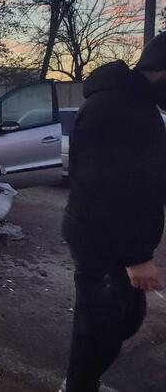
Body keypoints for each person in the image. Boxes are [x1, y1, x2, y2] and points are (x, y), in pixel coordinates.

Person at [61, 33, 166, 392]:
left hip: (118, 237)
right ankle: (78, 386)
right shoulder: (111, 108)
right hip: (100, 236)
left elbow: (142, 172)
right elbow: (100, 187)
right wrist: (137, 258)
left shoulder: (138, 104)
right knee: (100, 321)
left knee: (124, 317)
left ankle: (84, 381)